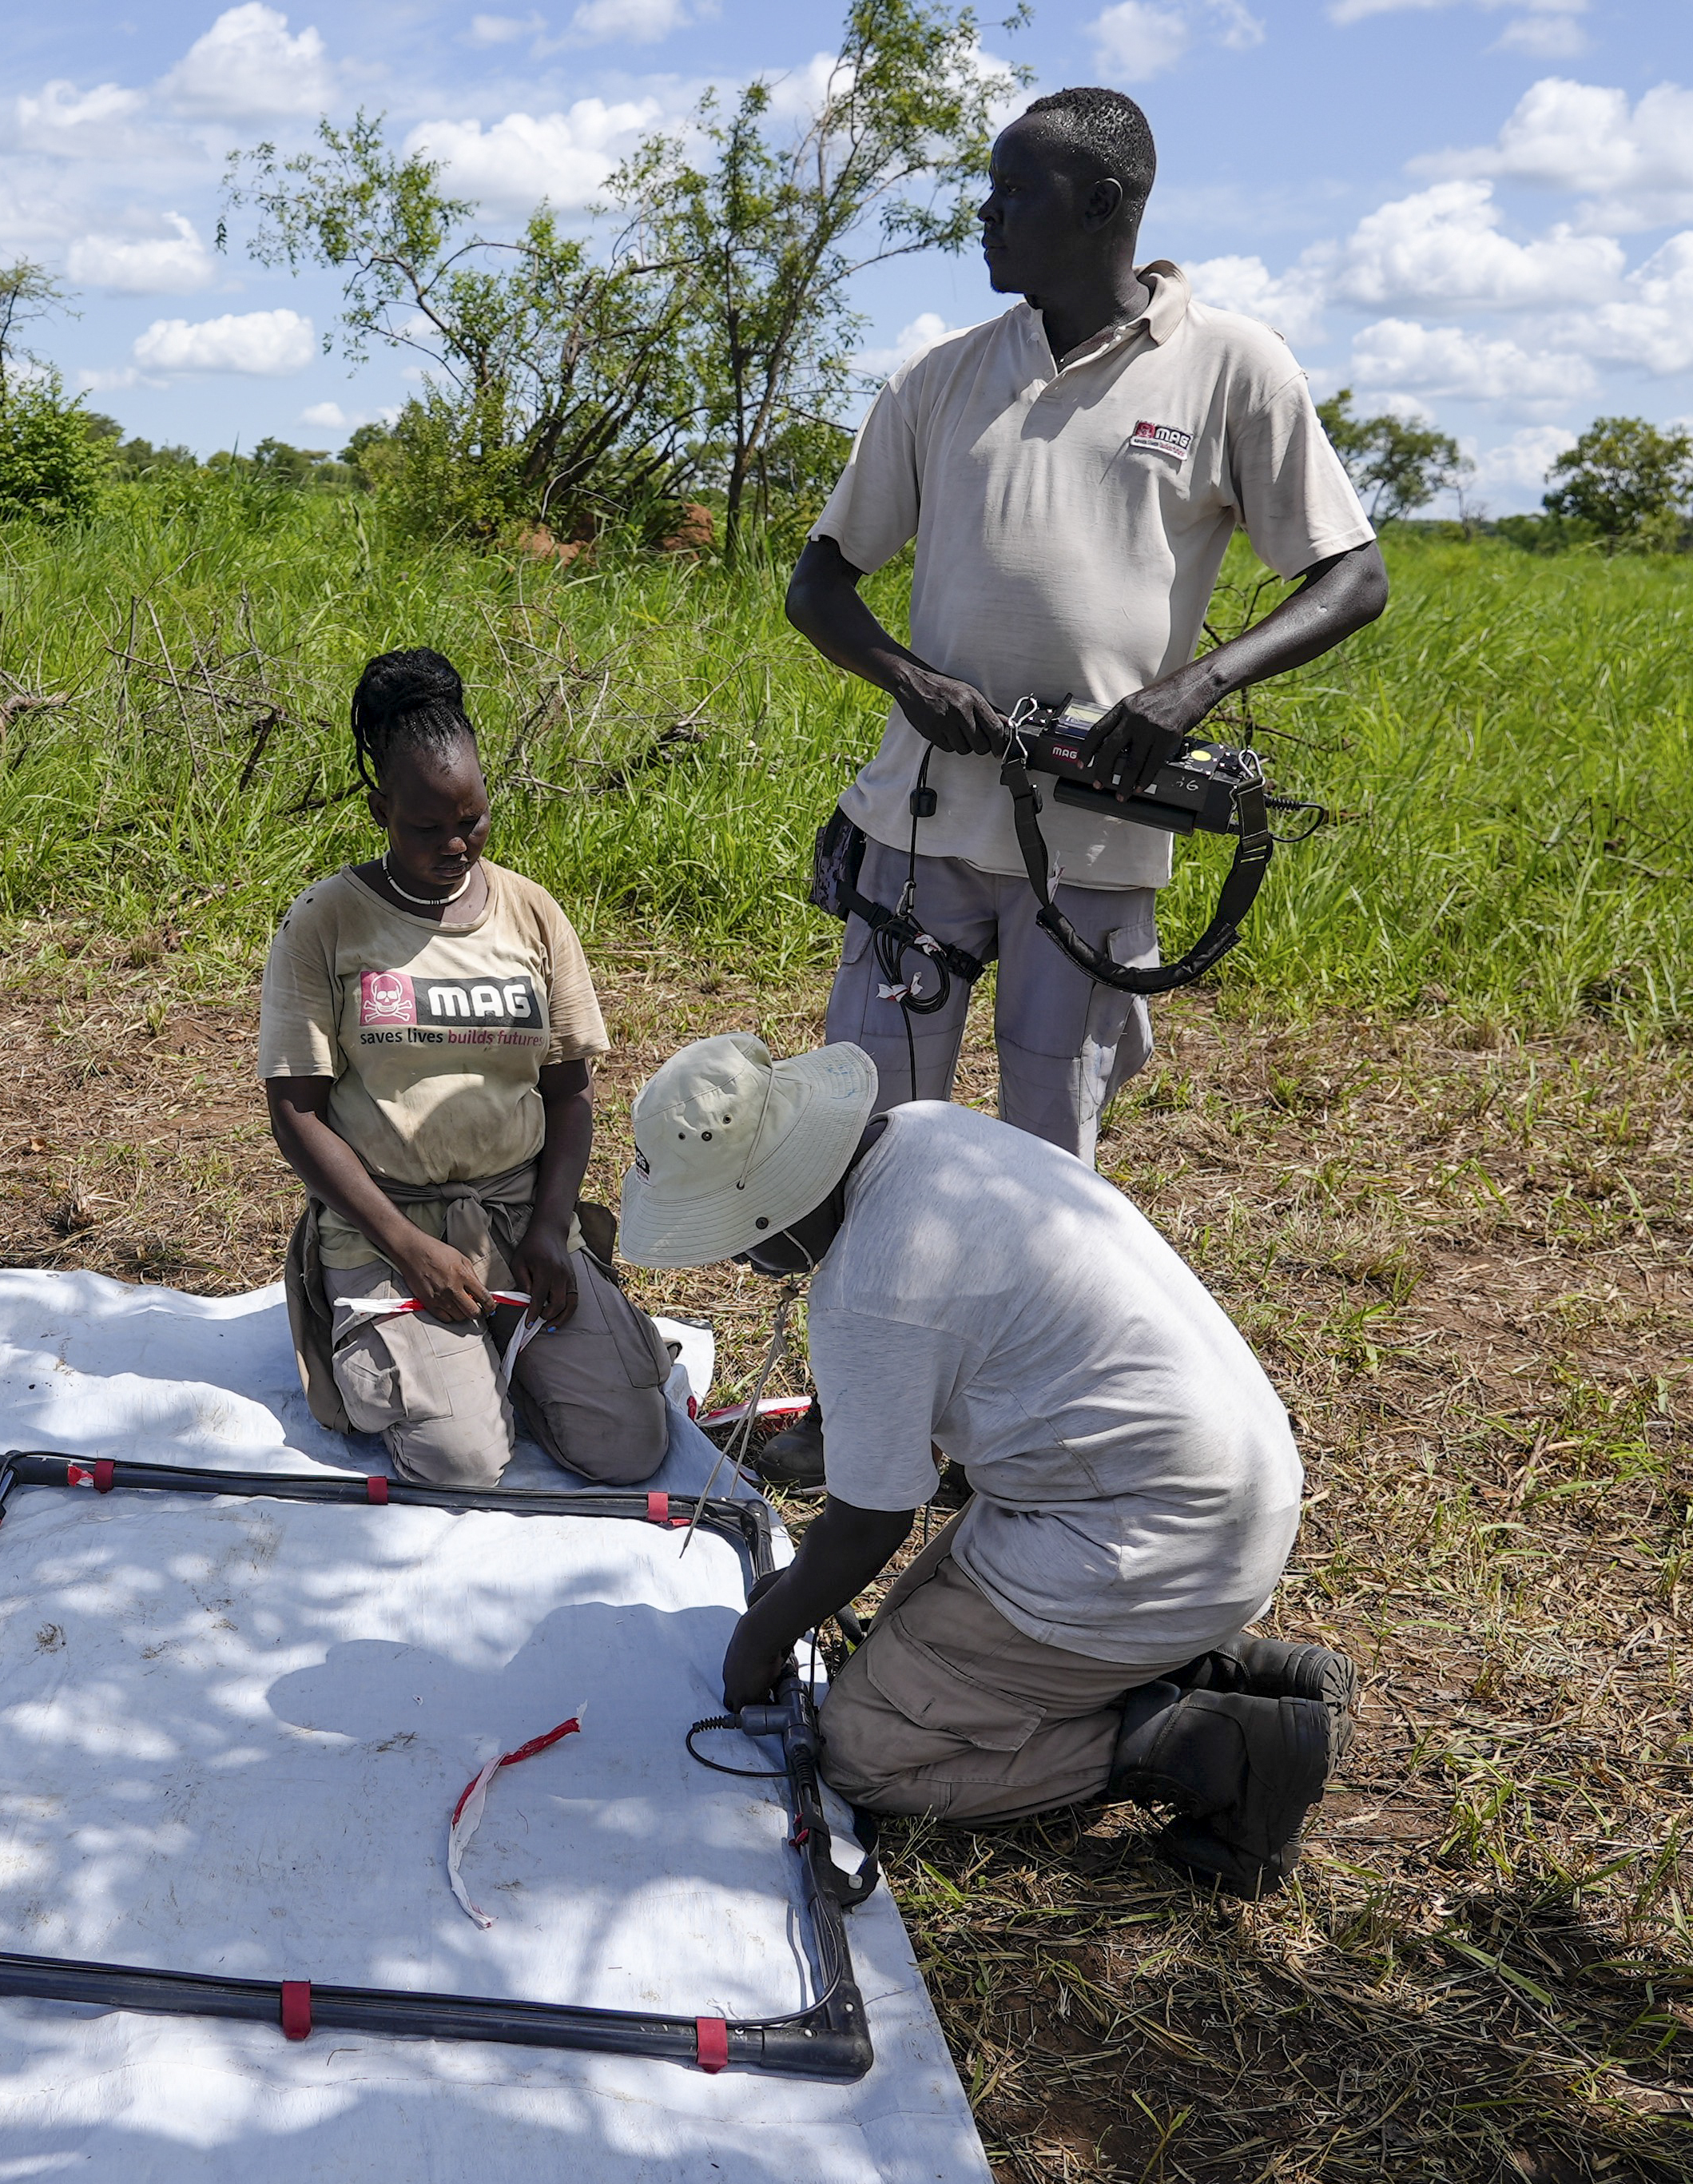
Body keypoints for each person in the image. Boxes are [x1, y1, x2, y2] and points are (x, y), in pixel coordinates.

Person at [783, 86, 1385, 1166]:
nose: (986, 213)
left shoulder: (1231, 366)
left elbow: (1352, 576)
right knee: (870, 1140)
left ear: (1103, 202)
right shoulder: (944, 374)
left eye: (1015, 191)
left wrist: (1192, 687)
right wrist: (912, 681)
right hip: (919, 824)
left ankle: (1024, 1336)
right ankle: (890, 1328)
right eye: (990, 189)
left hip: (1097, 834)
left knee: (1051, 1160)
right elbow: (818, 587)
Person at [618, 1032, 1349, 1896]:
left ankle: (1220, 1753)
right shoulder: (926, 1132)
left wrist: (758, 1638)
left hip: (1148, 1538)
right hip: (1226, 1493)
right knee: (905, 1640)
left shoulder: (871, 1288)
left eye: (738, 1237)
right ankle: (1220, 1665)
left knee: (867, 1745)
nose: (742, 1261)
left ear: (776, 1198)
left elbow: (870, 1523)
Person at [259, 649, 675, 1489]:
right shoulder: (326, 922)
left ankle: (502, 1348)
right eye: (426, 829)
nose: (456, 845)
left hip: (518, 1216)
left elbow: (569, 1091)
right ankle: (427, 1352)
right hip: (388, 1224)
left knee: (628, 1446)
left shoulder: (531, 912)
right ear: (380, 808)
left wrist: (552, 1232)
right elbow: (296, 1115)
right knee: (462, 1460)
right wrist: (409, 1248)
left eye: (473, 821)